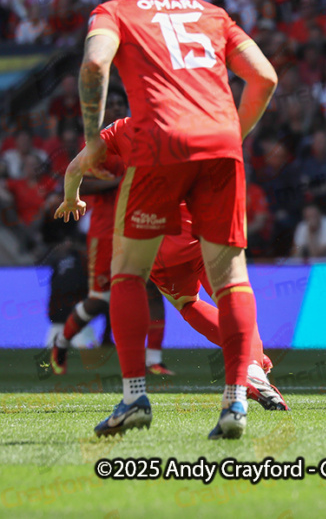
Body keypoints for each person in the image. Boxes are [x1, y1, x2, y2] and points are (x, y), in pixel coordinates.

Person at [77, 0, 278, 438]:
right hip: (220, 145)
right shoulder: (212, 14)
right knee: (232, 277)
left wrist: (94, 137)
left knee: (127, 274)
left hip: (160, 146)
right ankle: (236, 402)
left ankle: (134, 400)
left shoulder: (114, 11)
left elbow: (96, 66)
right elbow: (265, 77)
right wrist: (233, 131)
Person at [54, 116, 288, 411]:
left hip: (154, 238)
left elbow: (75, 167)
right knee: (234, 295)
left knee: (187, 303)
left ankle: (137, 389)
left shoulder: (121, 129)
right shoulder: (189, 118)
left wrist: (71, 198)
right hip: (201, 225)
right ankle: (252, 364)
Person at [49, 87, 128, 373]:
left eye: (121, 103)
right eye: (113, 104)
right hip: (105, 230)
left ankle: (150, 359)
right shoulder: (97, 144)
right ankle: (64, 338)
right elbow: (83, 182)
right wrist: (121, 182)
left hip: (136, 227)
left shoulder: (132, 137)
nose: (118, 108)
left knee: (143, 291)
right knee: (100, 298)